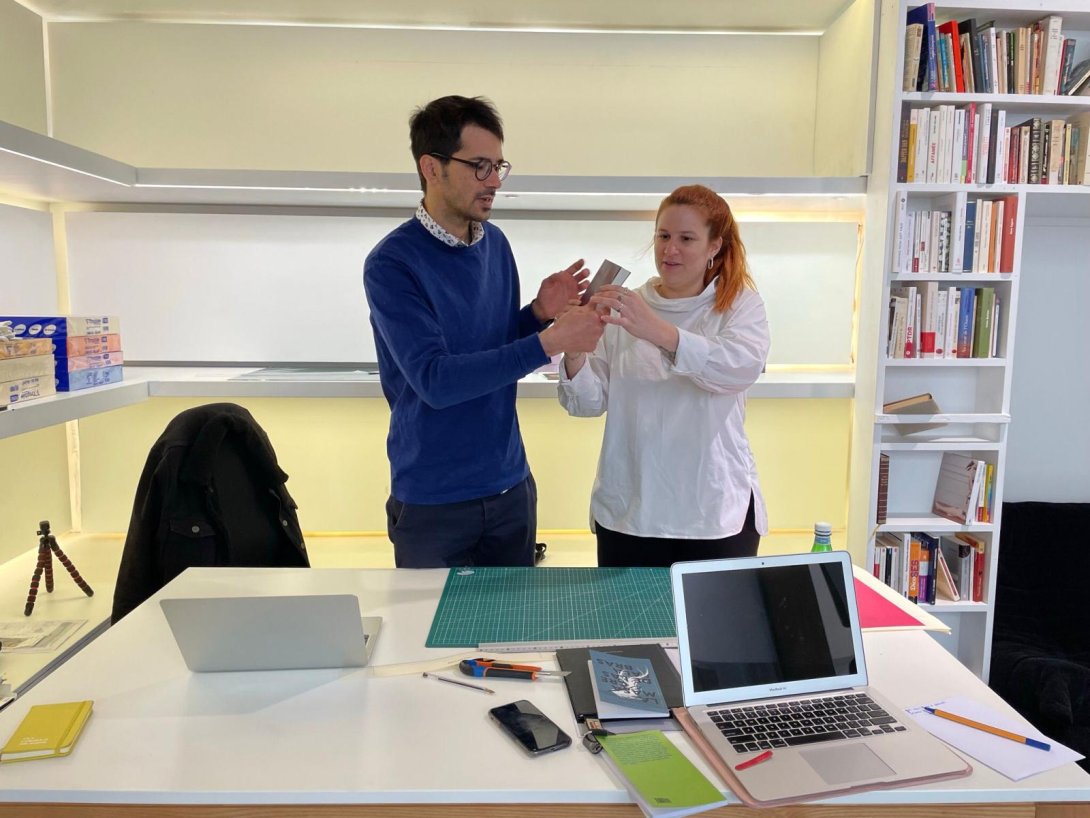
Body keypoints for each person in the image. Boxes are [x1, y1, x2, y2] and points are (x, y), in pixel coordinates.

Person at [364, 95, 603, 568]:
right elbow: (436, 380)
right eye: (479, 166)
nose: (493, 181)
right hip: (434, 500)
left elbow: (488, 345)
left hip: (510, 486)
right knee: (434, 640)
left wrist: (536, 313)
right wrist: (548, 341)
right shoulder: (392, 264)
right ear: (431, 168)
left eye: (498, 166)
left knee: (510, 638)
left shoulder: (495, 244)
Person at [558, 185, 770, 568]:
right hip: (629, 511)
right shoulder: (624, 304)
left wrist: (656, 330)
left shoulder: (739, 305)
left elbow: (737, 370)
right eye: (663, 236)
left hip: (713, 515)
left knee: (712, 628)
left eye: (687, 239)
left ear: (714, 247)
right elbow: (587, 403)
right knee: (629, 628)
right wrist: (574, 347)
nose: (670, 250)